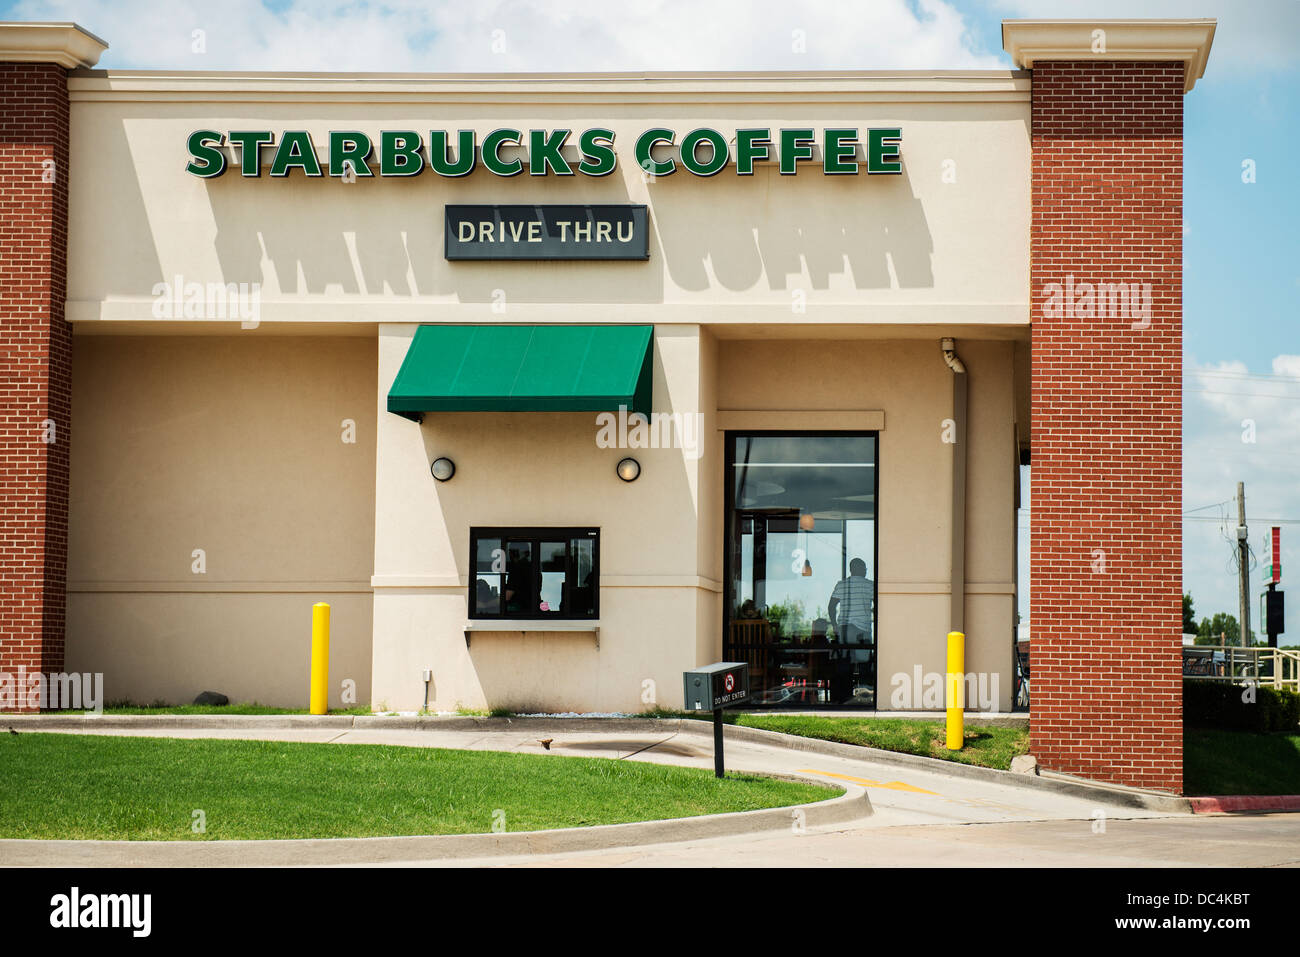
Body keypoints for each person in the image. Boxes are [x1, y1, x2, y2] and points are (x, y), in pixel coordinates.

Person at [827, 558, 875, 699]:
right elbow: (878, 605)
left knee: (845, 662)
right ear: (860, 569)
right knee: (864, 663)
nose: (866, 571)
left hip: (845, 628)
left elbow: (831, 606)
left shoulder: (841, 585)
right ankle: (864, 696)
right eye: (865, 568)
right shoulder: (870, 585)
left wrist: (835, 625)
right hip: (863, 629)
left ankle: (844, 696)